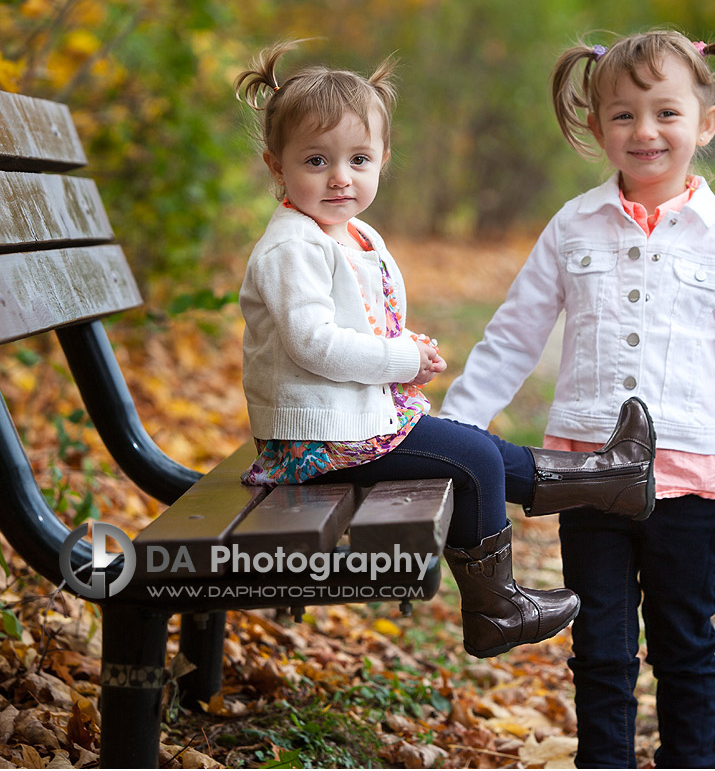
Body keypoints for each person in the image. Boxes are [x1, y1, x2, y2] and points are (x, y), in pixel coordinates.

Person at [439, 30, 715, 765]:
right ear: (596, 126)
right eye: (623, 115)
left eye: (665, 113)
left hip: (690, 481)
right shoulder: (572, 227)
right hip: (586, 480)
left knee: (686, 641)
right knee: (602, 645)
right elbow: (515, 334)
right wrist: (457, 428)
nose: (644, 132)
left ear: (705, 123)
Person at [233, 40, 659, 660]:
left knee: (477, 447)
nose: (340, 177)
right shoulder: (292, 247)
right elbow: (313, 344)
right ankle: (495, 607)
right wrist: (400, 360)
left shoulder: (351, 233)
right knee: (472, 462)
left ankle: (608, 477)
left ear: (382, 160)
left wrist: (402, 346)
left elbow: (361, 321)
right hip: (318, 443)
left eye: (358, 159)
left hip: (349, 423)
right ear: (278, 167)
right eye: (316, 161)